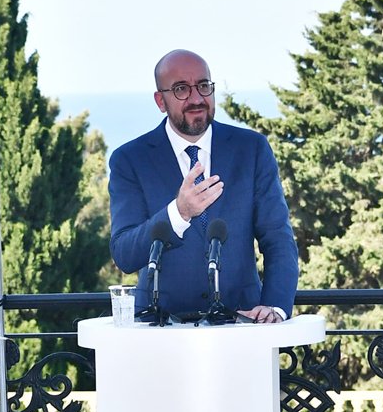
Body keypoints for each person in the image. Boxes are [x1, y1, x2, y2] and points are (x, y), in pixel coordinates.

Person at [108, 49, 300, 323]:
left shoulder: (251, 149)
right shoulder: (130, 160)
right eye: (181, 89)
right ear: (160, 101)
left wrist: (275, 307)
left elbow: (278, 238)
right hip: (159, 329)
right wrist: (179, 212)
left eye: (203, 85)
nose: (196, 98)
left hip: (244, 325)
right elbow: (125, 254)